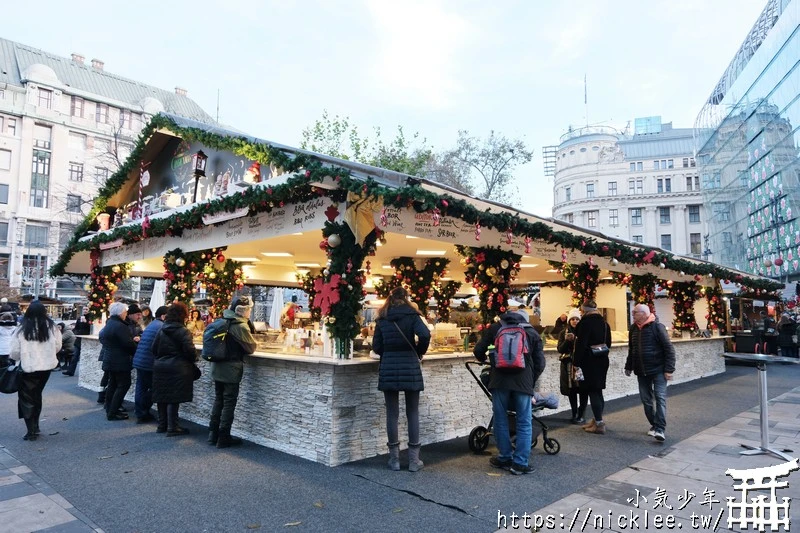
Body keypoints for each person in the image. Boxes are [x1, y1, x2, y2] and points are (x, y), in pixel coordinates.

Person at [473, 308, 545, 475]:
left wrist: (490, 361)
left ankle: (504, 457)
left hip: (499, 381)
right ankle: (520, 463)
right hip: (523, 382)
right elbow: (540, 363)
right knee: (524, 422)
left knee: (500, 420)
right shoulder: (531, 332)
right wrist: (530, 381)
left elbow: (478, 351)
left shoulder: (495, 328)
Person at [372, 287, 431, 472]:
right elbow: (425, 334)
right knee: (412, 412)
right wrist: (419, 351)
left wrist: (388, 353)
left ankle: (394, 460)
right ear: (406, 298)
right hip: (410, 366)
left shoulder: (382, 318)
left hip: (389, 366)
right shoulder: (412, 315)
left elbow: (376, 346)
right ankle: (414, 461)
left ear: (389, 298)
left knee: (392, 413)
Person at [208, 295, 257, 448]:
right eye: (248, 309)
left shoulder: (222, 321)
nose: (249, 312)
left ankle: (212, 434)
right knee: (229, 402)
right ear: (243, 310)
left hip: (217, 367)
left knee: (219, 400)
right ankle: (224, 437)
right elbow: (251, 348)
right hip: (231, 369)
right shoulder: (239, 326)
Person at [9, 301, 62, 441]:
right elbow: (57, 346)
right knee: (37, 395)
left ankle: (31, 430)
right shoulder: (52, 327)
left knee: (26, 398)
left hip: (28, 367)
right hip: (46, 367)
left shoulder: (22, 329)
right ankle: (36, 425)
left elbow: (14, 352)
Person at [625, 304, 676, 442]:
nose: (632, 314)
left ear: (644, 314)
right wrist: (628, 366)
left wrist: (669, 369)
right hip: (641, 371)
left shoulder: (657, 327)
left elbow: (669, 349)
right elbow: (632, 349)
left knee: (660, 398)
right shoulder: (633, 329)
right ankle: (654, 424)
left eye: (635, 312)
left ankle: (660, 429)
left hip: (658, 370)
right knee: (646, 401)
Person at [152, 302, 197, 436]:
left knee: (162, 396)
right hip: (177, 367)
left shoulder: (161, 329)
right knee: (173, 398)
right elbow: (190, 351)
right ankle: (173, 427)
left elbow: (153, 349)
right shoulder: (183, 331)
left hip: (160, 367)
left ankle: (162, 425)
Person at [572, 300, 612, 435]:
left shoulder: (585, 323)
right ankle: (597, 419)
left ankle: (599, 423)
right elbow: (608, 343)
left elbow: (581, 344)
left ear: (584, 310)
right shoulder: (604, 323)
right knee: (598, 390)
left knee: (592, 391)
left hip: (589, 361)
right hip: (602, 359)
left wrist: (575, 362)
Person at [99, 302, 139, 421]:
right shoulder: (120, 326)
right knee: (123, 385)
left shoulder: (110, 324)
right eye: (125, 312)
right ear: (121, 313)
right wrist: (135, 347)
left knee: (113, 384)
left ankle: (109, 408)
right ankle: (113, 411)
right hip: (120, 360)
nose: (126, 314)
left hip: (110, 359)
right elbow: (127, 344)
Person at [132, 305, 168, 423]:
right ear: (163, 316)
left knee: (141, 388)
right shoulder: (162, 327)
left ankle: (140, 413)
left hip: (141, 360)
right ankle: (143, 412)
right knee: (154, 388)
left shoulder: (153, 324)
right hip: (149, 362)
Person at [557, 309, 588, 424]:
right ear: (569, 321)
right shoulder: (563, 333)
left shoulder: (584, 332)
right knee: (572, 390)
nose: (575, 321)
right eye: (572, 319)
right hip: (568, 365)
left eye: (577, 319)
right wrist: (567, 341)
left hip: (581, 365)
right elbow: (560, 349)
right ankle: (574, 413)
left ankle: (581, 414)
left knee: (583, 389)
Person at [64, 309, 91, 376]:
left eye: (86, 309)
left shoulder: (91, 318)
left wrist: (86, 322)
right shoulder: (80, 318)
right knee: (75, 356)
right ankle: (70, 371)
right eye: (84, 309)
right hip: (79, 339)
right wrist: (76, 334)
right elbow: (76, 328)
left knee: (86, 356)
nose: (85, 310)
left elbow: (91, 328)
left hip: (87, 339)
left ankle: (85, 372)